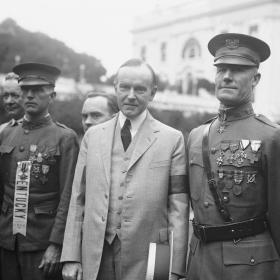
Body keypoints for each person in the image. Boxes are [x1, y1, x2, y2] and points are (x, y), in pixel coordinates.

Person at [61, 58, 188, 280]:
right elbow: (77, 198)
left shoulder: (172, 139)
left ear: (153, 92)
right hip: (95, 254)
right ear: (115, 88)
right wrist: (72, 256)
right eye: (124, 87)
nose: (131, 95)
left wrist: (174, 268)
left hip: (152, 255)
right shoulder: (93, 136)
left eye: (140, 89)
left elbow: (178, 206)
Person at [186, 33, 280, 280]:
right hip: (199, 263)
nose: (227, 76)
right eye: (221, 69)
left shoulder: (271, 137)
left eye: (238, 69)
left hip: (251, 267)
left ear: (256, 78)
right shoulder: (197, 135)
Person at [0, 62, 79, 280]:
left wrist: (56, 245)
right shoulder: (7, 134)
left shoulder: (65, 138)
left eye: (37, 90)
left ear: (52, 95)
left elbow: (68, 198)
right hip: (6, 239)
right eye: (25, 90)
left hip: (41, 243)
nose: (29, 96)